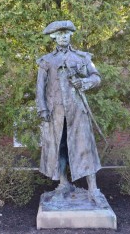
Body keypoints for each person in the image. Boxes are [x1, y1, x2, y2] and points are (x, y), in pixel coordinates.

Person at [36, 20, 104, 206]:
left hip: (78, 111)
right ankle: (63, 183)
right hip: (55, 113)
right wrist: (42, 108)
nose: (64, 36)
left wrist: (85, 83)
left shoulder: (82, 57)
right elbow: (40, 87)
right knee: (59, 148)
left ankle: (93, 189)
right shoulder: (46, 61)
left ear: (70, 35)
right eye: (60, 33)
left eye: (67, 33)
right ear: (54, 37)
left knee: (85, 147)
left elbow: (96, 77)